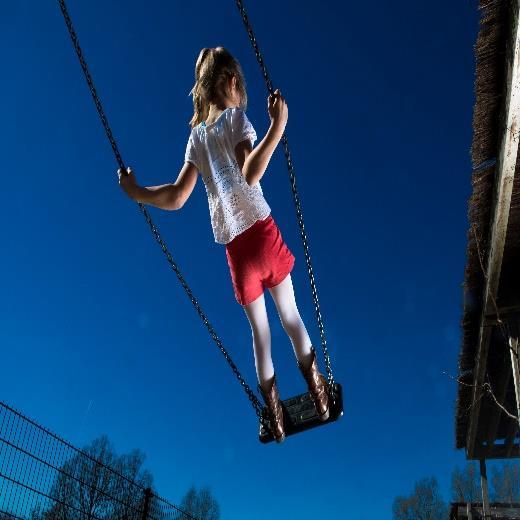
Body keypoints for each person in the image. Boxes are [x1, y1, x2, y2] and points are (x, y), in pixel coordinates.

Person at [118, 47, 329, 443]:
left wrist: (137, 192)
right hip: (263, 234)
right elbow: (250, 173)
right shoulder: (235, 119)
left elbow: (178, 197)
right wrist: (278, 126)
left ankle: (276, 415)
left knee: (261, 335)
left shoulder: (196, 138)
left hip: (237, 254)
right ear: (231, 83)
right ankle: (318, 392)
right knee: (291, 317)